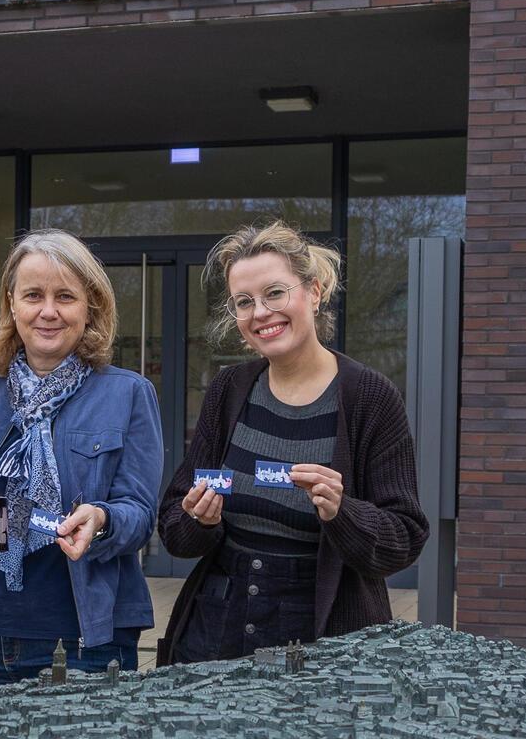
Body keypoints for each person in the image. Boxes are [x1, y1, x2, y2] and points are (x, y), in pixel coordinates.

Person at [157, 222, 428, 665]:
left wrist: (342, 511)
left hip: (325, 642)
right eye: (244, 302)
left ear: (314, 292)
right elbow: (174, 527)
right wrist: (198, 520)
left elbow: (404, 538)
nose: (260, 312)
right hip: (216, 632)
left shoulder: (369, 397)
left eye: (275, 293)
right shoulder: (228, 390)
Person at [0, 230, 162, 688]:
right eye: (34, 295)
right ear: (12, 304)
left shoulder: (128, 394)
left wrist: (102, 520)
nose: (49, 311)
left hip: (88, 642)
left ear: (90, 306)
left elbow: (140, 516)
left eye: (65, 297)